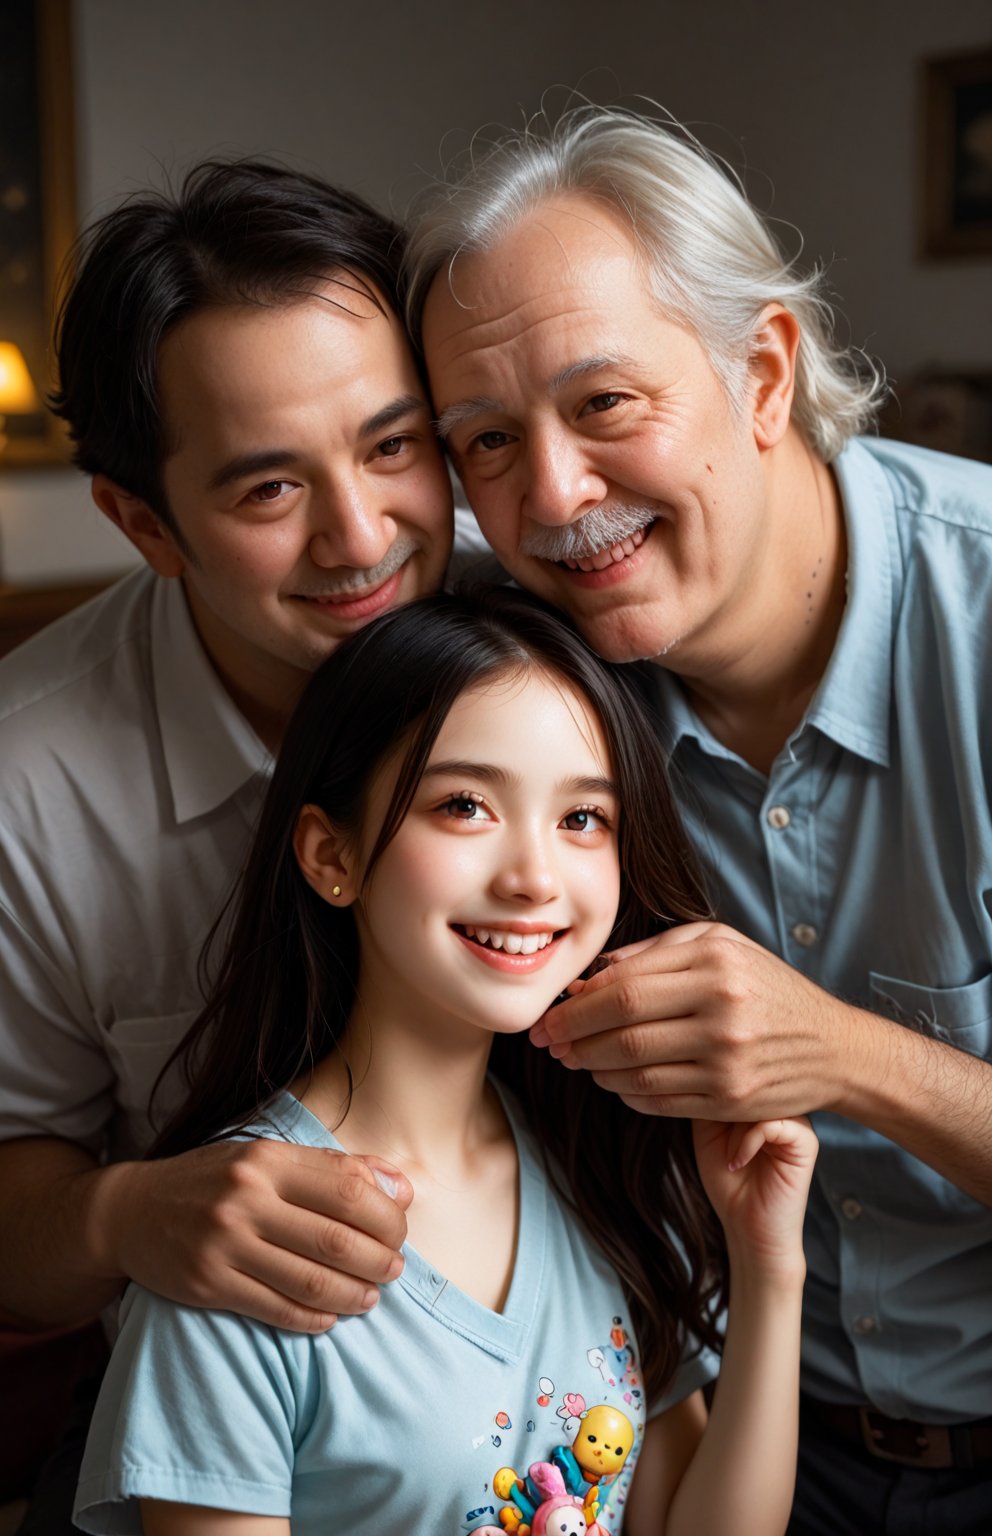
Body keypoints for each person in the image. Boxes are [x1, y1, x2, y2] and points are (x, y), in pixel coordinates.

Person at [402, 107, 992, 1535]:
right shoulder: (526, 679)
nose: (553, 498)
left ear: (764, 371)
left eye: (607, 407)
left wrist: (845, 1058)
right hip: (735, 1447)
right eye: (487, 441)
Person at [72, 586, 817, 1534]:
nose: (535, 877)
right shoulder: (243, 1246)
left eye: (582, 819)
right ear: (328, 854)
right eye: (465, 805)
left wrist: (768, 1262)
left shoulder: (602, 1167)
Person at [0, 159, 465, 1526]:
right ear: (144, 523)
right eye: (270, 492)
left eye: (395, 446)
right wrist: (125, 1218)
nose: (366, 534)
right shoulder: (27, 779)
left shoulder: (552, 628)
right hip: (220, 1418)